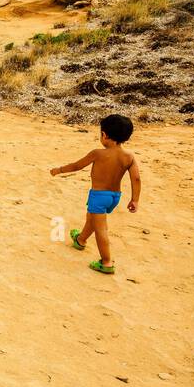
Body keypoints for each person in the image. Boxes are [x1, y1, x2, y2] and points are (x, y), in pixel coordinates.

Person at [49, 114, 141, 275]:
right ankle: (81, 239)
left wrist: (59, 170)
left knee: (101, 229)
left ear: (104, 135)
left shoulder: (98, 153)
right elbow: (136, 179)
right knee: (92, 217)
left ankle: (106, 262)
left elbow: (77, 166)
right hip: (114, 197)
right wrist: (135, 200)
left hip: (99, 196)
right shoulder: (129, 157)